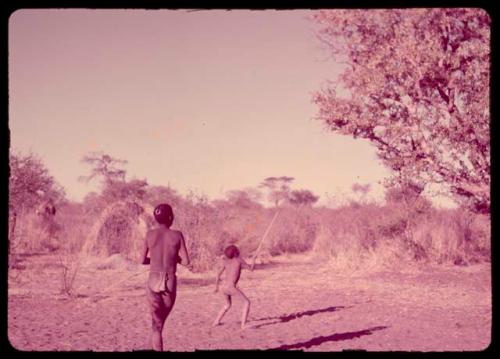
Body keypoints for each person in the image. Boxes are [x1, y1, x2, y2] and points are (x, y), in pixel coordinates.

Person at [140, 203, 190, 351]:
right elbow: (187, 261)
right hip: (169, 281)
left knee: (156, 324)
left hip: (153, 279)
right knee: (160, 323)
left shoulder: (149, 234)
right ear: (170, 217)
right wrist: (174, 258)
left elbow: (142, 260)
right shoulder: (177, 235)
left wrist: (154, 260)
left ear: (155, 218)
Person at [213, 245, 253, 329]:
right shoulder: (239, 260)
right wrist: (254, 259)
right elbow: (251, 269)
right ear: (235, 252)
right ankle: (243, 325)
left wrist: (216, 287)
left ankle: (216, 321)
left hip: (223, 287)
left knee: (227, 305)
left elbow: (217, 274)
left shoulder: (225, 261)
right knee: (247, 302)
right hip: (231, 287)